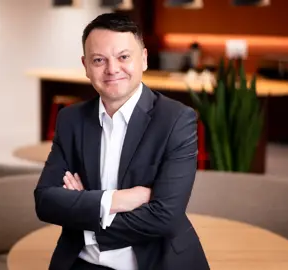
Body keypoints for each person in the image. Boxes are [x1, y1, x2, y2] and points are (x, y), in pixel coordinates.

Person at [34, 13, 209, 270]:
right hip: (81, 262)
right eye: (98, 60)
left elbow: (165, 217)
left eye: (124, 57)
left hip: (153, 262)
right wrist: (119, 200)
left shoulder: (176, 120)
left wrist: (84, 211)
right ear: (85, 65)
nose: (112, 69)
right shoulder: (71, 119)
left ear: (144, 59)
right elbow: (46, 201)